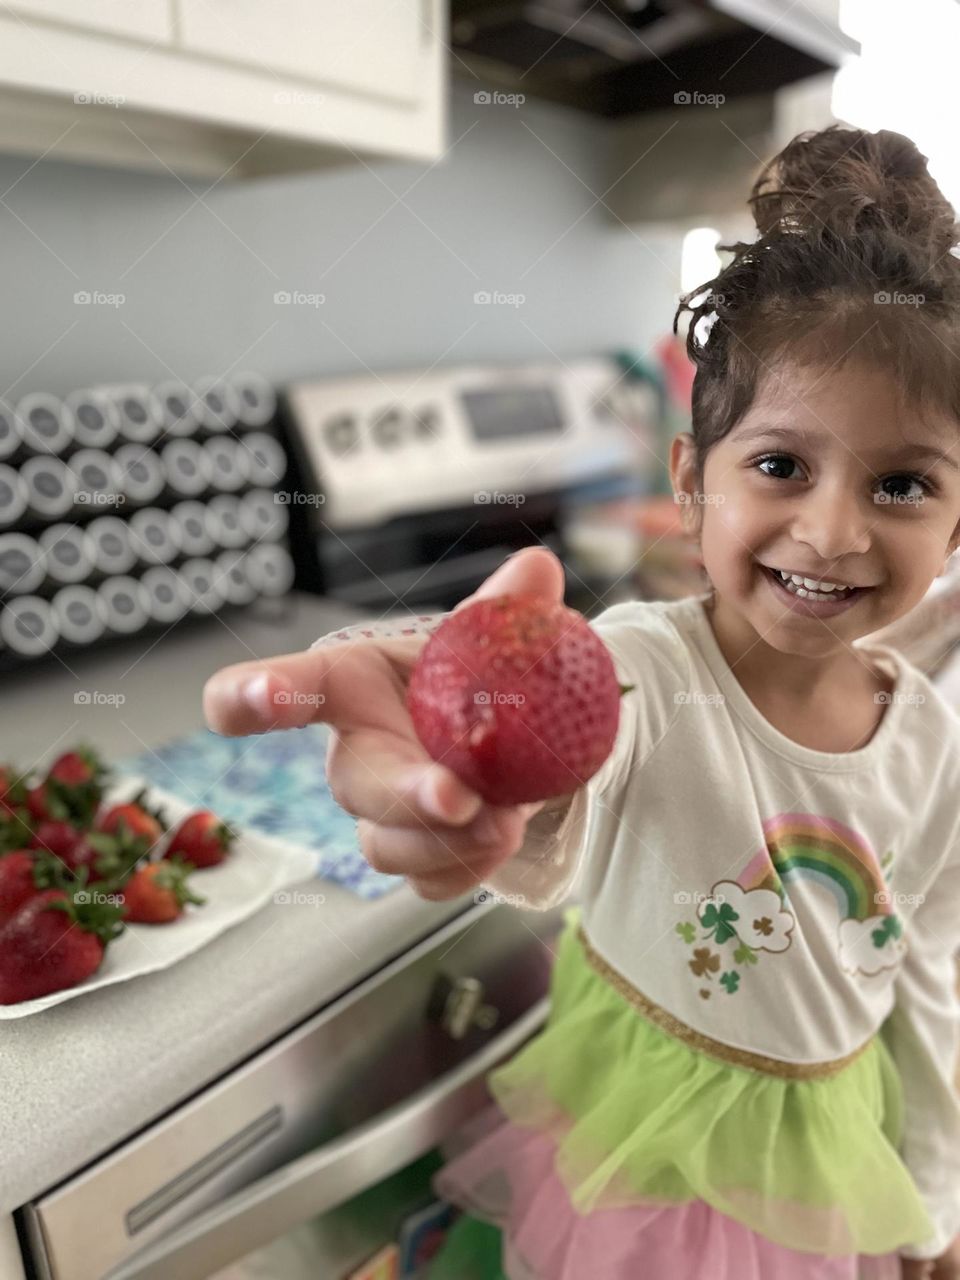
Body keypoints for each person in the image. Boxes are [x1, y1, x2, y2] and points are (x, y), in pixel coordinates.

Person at [203, 125, 960, 1278]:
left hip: (824, 1153)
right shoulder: (646, 664)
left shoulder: (936, 741)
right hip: (630, 1141)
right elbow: (563, 796)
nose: (834, 530)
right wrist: (472, 743)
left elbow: (933, 963)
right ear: (693, 482)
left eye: (902, 482)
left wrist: (932, 1196)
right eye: (781, 465)